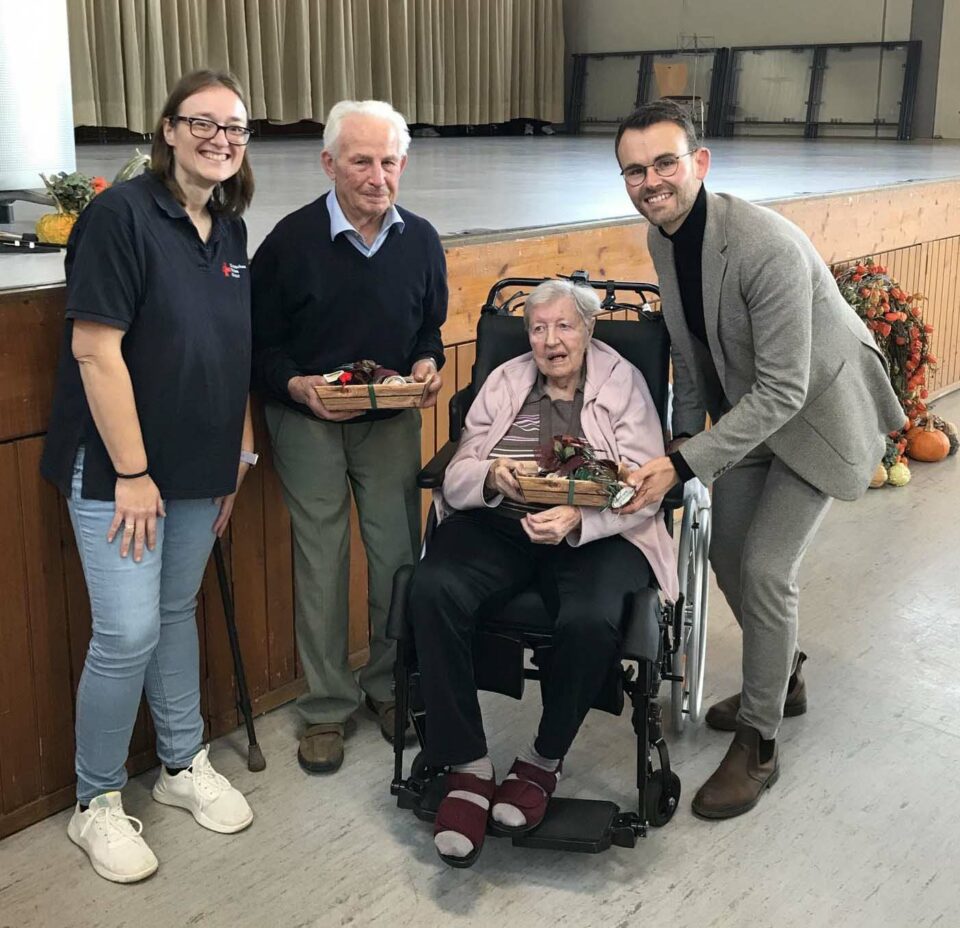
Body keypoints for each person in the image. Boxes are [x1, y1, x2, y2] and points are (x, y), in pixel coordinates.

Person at [614, 100, 906, 819]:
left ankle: (760, 742)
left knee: (768, 570)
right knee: (727, 555)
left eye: (665, 163)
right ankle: (786, 675)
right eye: (635, 171)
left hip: (818, 417)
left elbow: (786, 389)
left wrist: (685, 465)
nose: (651, 181)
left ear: (699, 163)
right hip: (750, 414)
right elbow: (689, 351)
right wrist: (681, 440)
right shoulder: (662, 236)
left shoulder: (762, 244)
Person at [40, 70, 258, 883]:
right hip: (117, 469)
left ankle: (181, 764)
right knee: (128, 631)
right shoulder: (119, 217)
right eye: (203, 123)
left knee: (173, 611)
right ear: (167, 129)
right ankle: (95, 800)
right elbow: (95, 350)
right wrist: (132, 473)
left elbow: (230, 350)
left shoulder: (229, 228)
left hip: (200, 465)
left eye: (235, 128)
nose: (220, 140)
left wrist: (237, 453)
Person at [407, 279, 678, 868]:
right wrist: (490, 476)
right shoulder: (506, 380)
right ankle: (468, 765)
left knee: (590, 616)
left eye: (564, 327)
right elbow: (460, 467)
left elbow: (644, 485)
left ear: (588, 329)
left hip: (598, 530)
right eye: (538, 328)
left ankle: (541, 760)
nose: (551, 341)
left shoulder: (623, 383)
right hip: (503, 522)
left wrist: (580, 518)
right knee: (432, 585)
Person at [251, 100, 447, 774]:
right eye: (361, 161)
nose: (376, 176)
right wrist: (296, 386)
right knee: (322, 561)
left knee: (397, 557)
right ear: (328, 163)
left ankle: (389, 687)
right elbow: (261, 347)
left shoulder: (421, 239)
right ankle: (326, 707)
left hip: (388, 419)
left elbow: (428, 331)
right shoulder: (288, 242)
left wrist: (427, 365)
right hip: (307, 420)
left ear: (403, 165)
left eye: (388, 161)